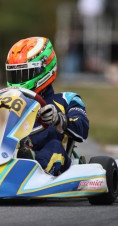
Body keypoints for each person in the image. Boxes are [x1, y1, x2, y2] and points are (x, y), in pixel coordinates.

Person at [5, 36, 89, 176]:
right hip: (8, 151)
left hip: (51, 159)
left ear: (43, 70)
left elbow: (82, 128)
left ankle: (29, 167)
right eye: (14, 75)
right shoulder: (7, 101)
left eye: (24, 74)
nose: (18, 82)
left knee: (54, 147)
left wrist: (59, 120)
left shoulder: (66, 100)